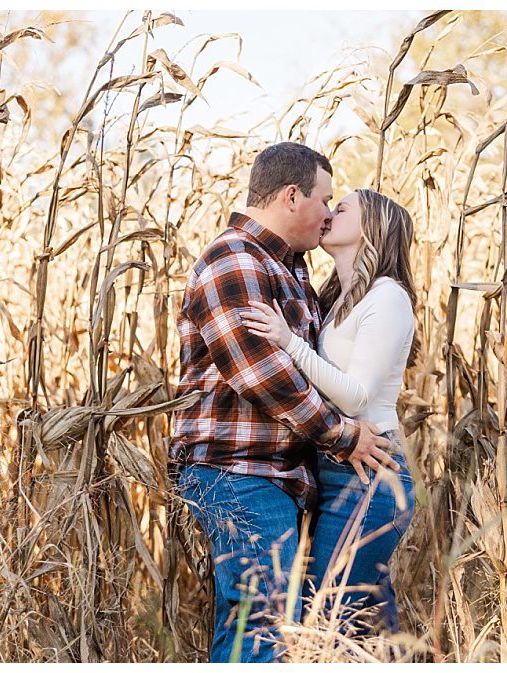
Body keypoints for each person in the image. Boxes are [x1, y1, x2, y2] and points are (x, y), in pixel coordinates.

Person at [169, 143, 399, 663]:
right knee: (266, 619)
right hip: (237, 470)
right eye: (326, 199)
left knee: (280, 619)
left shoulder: (291, 269)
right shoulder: (233, 260)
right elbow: (262, 374)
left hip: (282, 475)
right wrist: (344, 436)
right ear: (293, 196)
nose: (327, 214)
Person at [240, 188, 420, 637]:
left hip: (370, 473)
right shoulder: (337, 297)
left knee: (330, 618)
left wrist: (289, 341)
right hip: (335, 467)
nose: (328, 214)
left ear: (372, 228)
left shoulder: (387, 297)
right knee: (365, 622)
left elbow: (356, 397)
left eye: (342, 209)